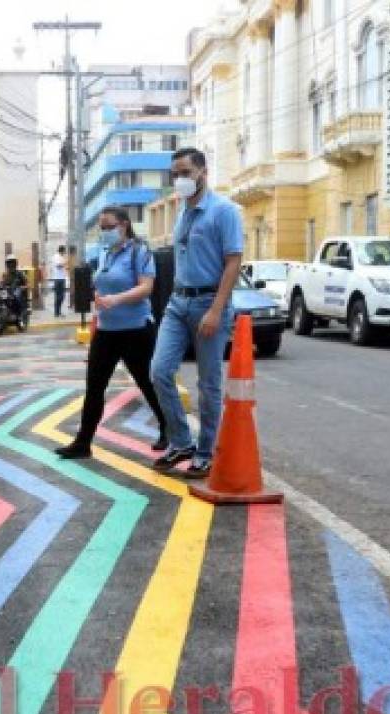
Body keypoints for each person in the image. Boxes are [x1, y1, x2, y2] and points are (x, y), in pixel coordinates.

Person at [149, 147, 244, 479]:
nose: (179, 180)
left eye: (185, 173)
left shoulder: (224, 211)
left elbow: (233, 261)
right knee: (159, 371)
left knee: (208, 384)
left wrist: (217, 310)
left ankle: (205, 452)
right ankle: (180, 442)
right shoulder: (182, 212)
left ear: (203, 172)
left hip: (208, 303)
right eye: (174, 174)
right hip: (177, 303)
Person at [56, 208, 168, 460]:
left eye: (109, 227)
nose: (105, 233)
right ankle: (83, 442)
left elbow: (146, 288)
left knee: (147, 383)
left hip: (136, 330)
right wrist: (97, 296)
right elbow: (102, 283)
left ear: (124, 225)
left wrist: (115, 299)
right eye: (102, 228)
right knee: (94, 386)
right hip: (106, 332)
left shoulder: (140, 251)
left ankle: (167, 428)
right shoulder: (106, 254)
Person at [0, 254, 28, 320]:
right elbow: (1, 282)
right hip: (8, 291)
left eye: (12, 263)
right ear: (7, 265)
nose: (11, 265)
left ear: (15, 264)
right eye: (9, 263)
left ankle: (20, 313)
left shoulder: (20, 274)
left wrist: (23, 287)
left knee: (16, 295)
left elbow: (27, 283)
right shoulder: (5, 274)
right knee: (1, 296)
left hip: (17, 291)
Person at [51, 245, 69, 316]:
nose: (65, 252)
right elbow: (58, 266)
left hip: (62, 278)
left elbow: (63, 266)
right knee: (59, 296)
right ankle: (56, 312)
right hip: (58, 279)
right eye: (64, 251)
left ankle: (58, 311)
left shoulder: (62, 257)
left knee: (62, 296)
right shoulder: (56, 257)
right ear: (62, 251)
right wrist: (65, 262)